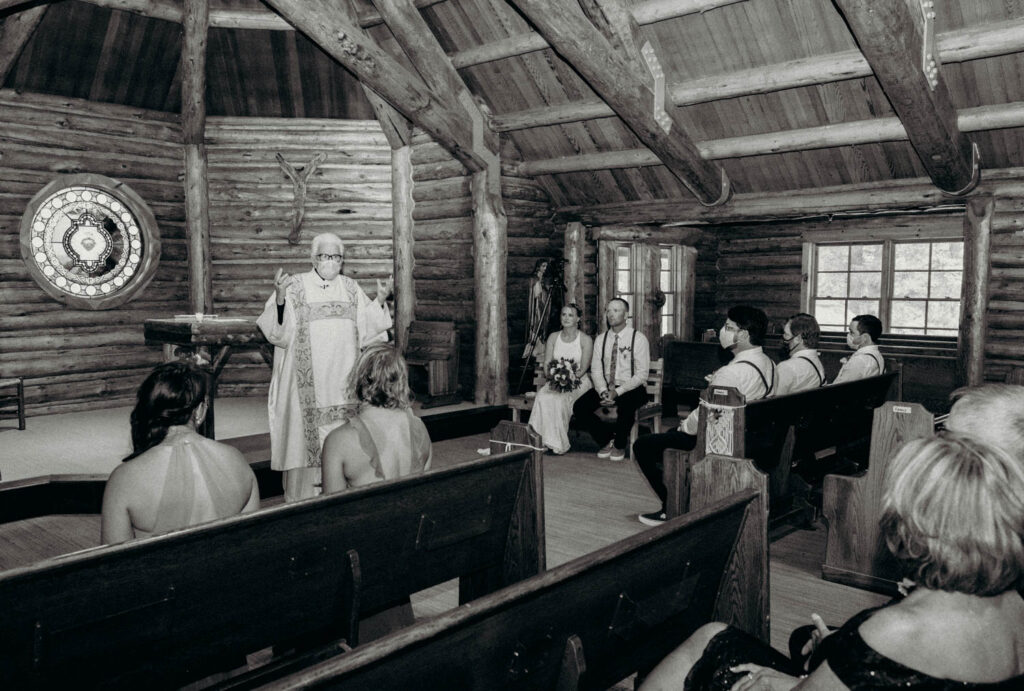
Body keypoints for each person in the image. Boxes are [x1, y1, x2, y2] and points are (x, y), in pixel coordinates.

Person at [639, 432, 1024, 691]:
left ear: (911, 521)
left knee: (710, 641)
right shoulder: (1015, 604)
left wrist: (786, 681)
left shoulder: (896, 630)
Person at [257, 232, 393, 502]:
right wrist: (281, 299)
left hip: (343, 386)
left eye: (336, 257)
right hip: (306, 389)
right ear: (312, 257)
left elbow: (369, 330)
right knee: (304, 447)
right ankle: (302, 501)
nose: (330, 261)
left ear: (342, 260)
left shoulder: (351, 288)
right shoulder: (293, 286)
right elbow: (276, 333)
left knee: (343, 439)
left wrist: (379, 300)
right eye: (325, 256)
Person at [633, 306, 776, 526]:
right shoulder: (770, 364)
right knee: (670, 436)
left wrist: (682, 426)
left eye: (729, 327)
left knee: (644, 445)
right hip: (751, 437)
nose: (723, 331)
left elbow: (703, 418)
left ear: (744, 335)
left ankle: (671, 506)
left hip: (722, 442)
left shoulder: (732, 372)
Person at [101, 362, 259, 544]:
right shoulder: (237, 461)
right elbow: (252, 543)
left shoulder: (124, 479)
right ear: (200, 411)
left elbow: (112, 565)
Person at [321, 344, 432, 492]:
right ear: (402, 382)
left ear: (357, 380)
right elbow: (424, 489)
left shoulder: (338, 440)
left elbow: (331, 510)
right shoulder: (420, 428)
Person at [572, 297, 650, 462]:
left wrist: (617, 392)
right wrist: (602, 391)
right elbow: (596, 369)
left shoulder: (639, 338)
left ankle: (620, 445)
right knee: (579, 407)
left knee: (626, 405)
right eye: (608, 311)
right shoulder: (601, 339)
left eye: (616, 310)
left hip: (632, 387)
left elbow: (642, 374)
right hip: (607, 387)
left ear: (626, 315)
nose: (611, 315)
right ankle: (606, 440)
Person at [528, 303, 594, 455]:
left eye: (571, 315)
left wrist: (569, 379)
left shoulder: (585, 340)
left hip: (578, 382)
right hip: (555, 380)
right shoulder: (553, 337)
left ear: (578, 318)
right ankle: (539, 440)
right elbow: (547, 363)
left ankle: (556, 443)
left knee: (559, 400)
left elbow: (584, 368)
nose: (566, 318)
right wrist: (553, 378)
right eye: (563, 314)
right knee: (543, 397)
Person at [774, 313, 825, 396]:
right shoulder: (816, 361)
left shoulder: (786, 367)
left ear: (798, 339)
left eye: (786, 334)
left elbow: (773, 402)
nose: (783, 337)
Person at [832, 314, 883, 384]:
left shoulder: (860, 360)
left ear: (865, 337)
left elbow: (837, 388)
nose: (848, 335)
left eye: (852, 332)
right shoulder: (876, 354)